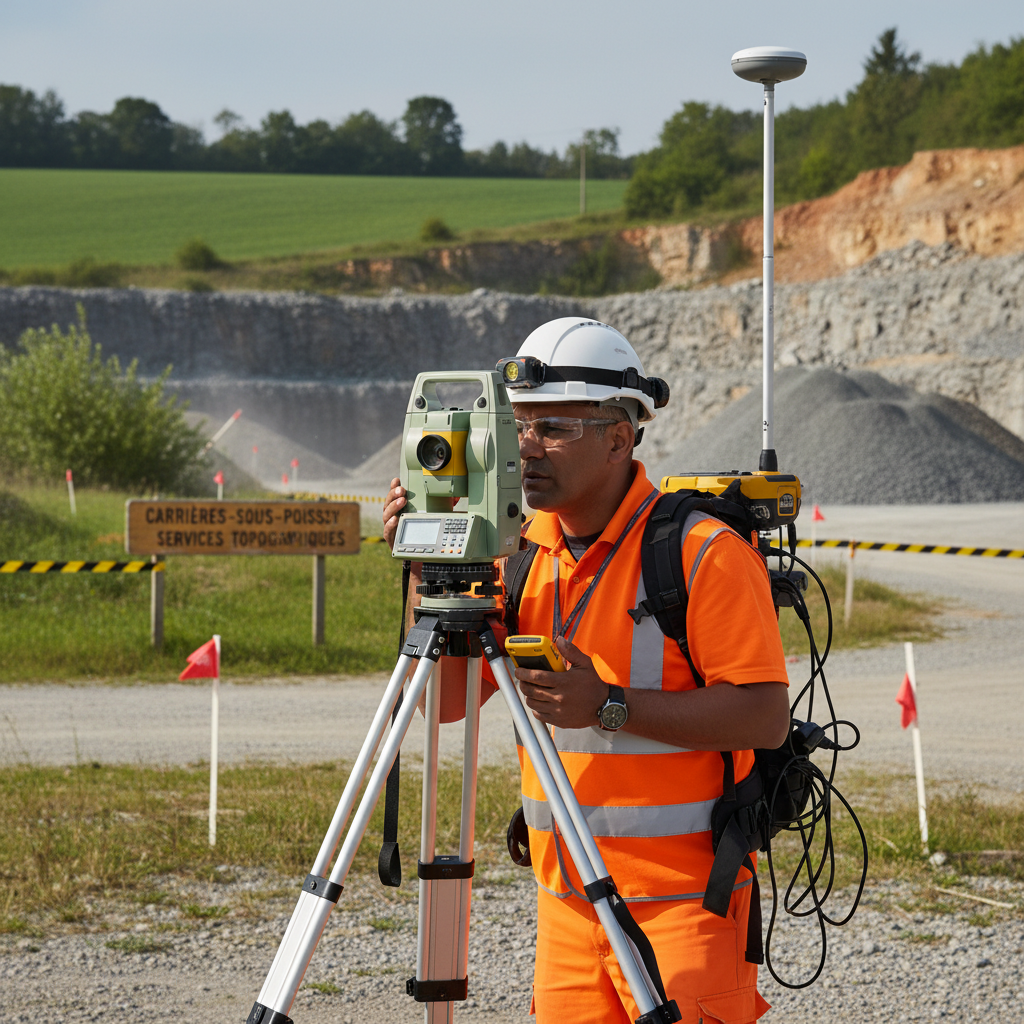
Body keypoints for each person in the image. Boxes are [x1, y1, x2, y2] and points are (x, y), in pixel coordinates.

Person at [384, 317, 790, 1024]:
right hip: (567, 908)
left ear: (619, 436)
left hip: (684, 908)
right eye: (518, 428)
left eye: (554, 428)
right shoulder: (517, 554)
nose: (527, 448)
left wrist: (610, 705)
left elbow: (764, 715)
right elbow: (445, 706)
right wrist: (435, 569)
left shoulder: (702, 552)